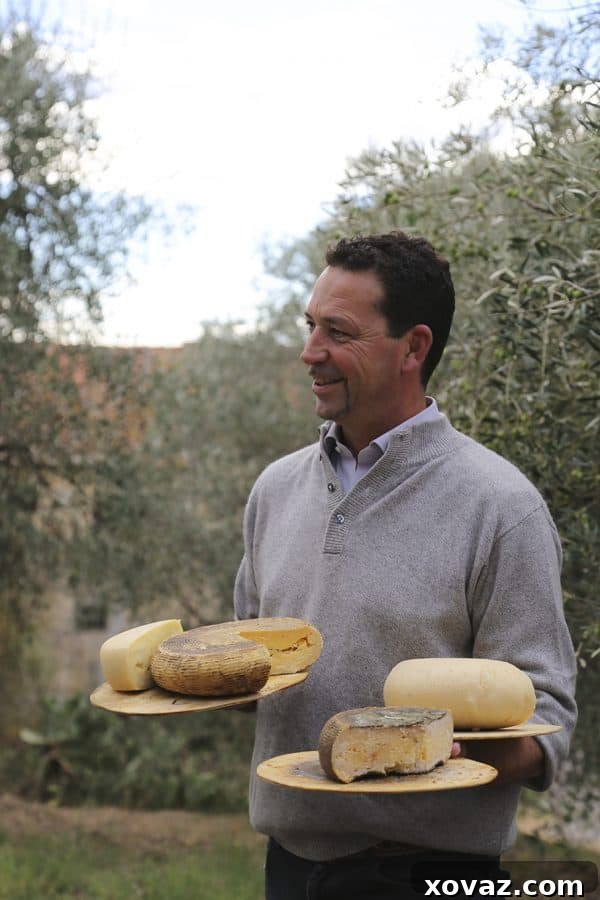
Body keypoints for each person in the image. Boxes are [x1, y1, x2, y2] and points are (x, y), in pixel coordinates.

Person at [233, 231, 577, 900]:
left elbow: (547, 722)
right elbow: (253, 672)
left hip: (432, 875)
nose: (310, 352)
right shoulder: (274, 491)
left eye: (338, 332)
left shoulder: (502, 507)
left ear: (413, 348)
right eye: (310, 326)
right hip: (289, 867)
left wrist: (443, 749)